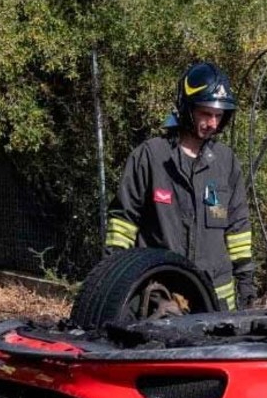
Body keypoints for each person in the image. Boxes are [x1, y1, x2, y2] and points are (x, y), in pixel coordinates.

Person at [106, 62, 256, 310]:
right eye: (206, 114)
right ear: (188, 109)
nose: (213, 123)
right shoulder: (152, 157)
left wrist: (246, 286)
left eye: (219, 116)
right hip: (157, 297)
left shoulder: (226, 162)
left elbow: (238, 229)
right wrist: (113, 279)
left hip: (214, 303)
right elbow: (122, 223)